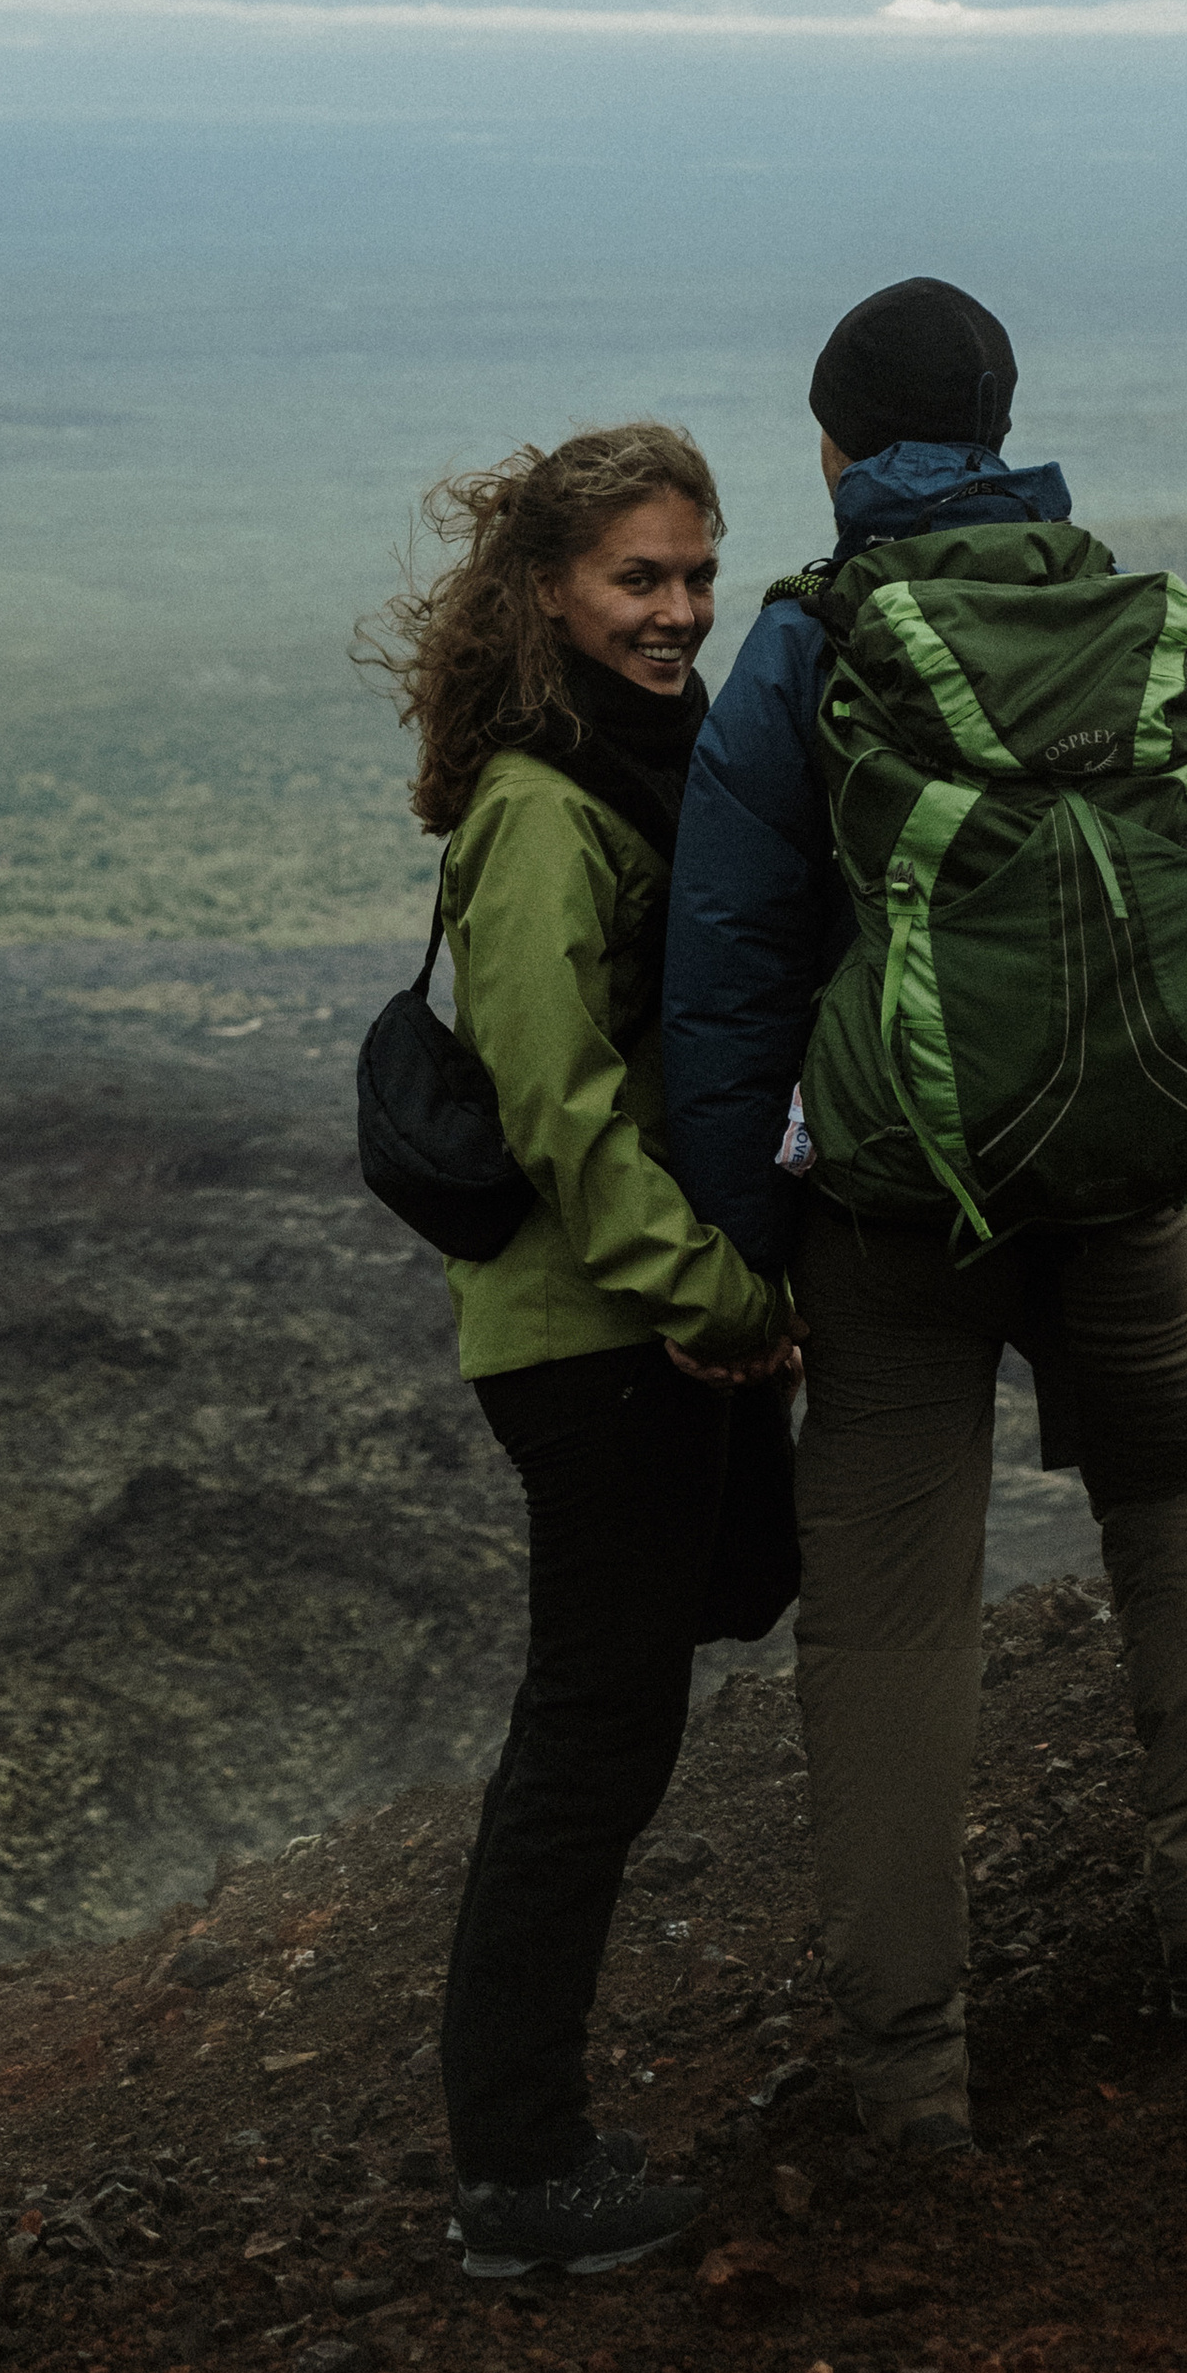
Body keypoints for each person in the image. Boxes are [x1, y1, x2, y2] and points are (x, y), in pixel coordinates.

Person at [661, 280, 1187, 2160]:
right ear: (1011, 421)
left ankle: (911, 2070)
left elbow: (726, 980)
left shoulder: (811, 656)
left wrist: (737, 1247)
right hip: (1118, 1197)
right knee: (1185, 1488)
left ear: (839, 451)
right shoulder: (1148, 626)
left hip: (887, 1218)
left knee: (885, 1625)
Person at [371, 420, 800, 2275]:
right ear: (549, 587)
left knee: (634, 1695)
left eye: (698, 576)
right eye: (640, 578)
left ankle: (523, 2148)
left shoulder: (646, 764)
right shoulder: (544, 813)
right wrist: (715, 1303)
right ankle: (521, 2176)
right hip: (596, 1333)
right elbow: (557, 1106)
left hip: (644, 1328)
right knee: (589, 1737)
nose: (680, 612)